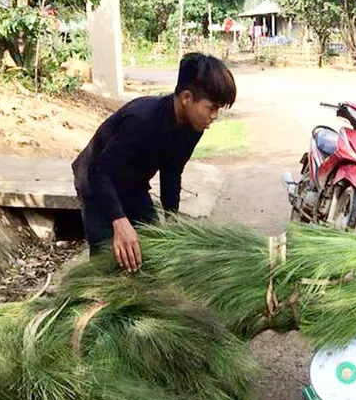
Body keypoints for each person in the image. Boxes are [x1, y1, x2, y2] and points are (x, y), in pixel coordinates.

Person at [71, 52, 236, 270]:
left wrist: (173, 223)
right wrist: (120, 222)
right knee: (109, 261)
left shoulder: (193, 128)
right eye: (212, 108)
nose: (214, 116)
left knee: (153, 251)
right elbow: (98, 172)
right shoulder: (142, 120)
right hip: (96, 182)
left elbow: (172, 173)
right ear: (187, 98)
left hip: (133, 185)